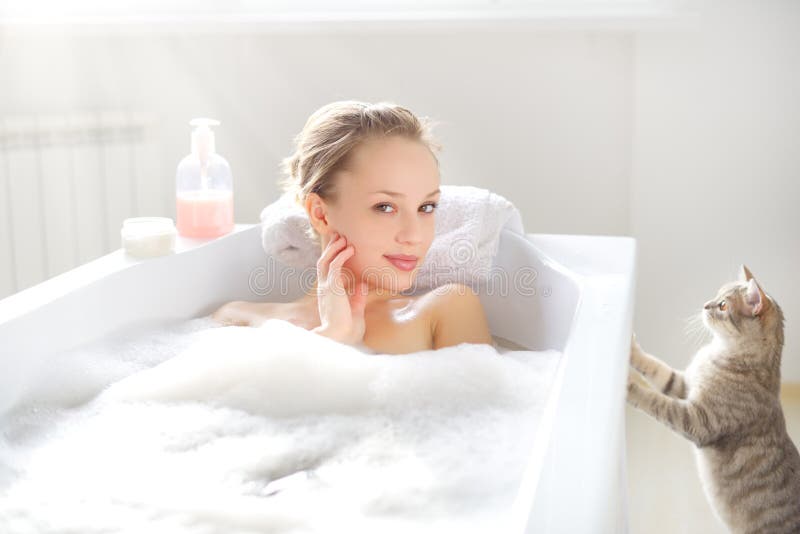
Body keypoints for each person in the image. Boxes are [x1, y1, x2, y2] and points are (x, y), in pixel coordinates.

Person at [212, 101, 492, 354]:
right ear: (320, 214)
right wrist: (332, 337)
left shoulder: (445, 310)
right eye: (385, 207)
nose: (414, 235)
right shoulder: (240, 318)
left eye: (426, 207)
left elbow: (477, 409)